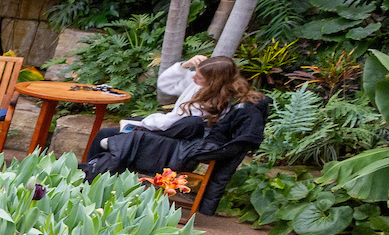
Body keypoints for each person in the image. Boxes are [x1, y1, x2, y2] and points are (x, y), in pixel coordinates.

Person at [83, 54, 269, 213]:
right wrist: (184, 65)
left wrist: (144, 123)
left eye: (199, 76)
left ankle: (91, 183)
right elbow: (166, 85)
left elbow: (175, 123)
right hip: (171, 128)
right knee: (108, 134)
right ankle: (96, 177)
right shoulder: (205, 85)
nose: (194, 78)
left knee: (108, 135)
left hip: (177, 136)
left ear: (213, 81)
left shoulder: (215, 103)